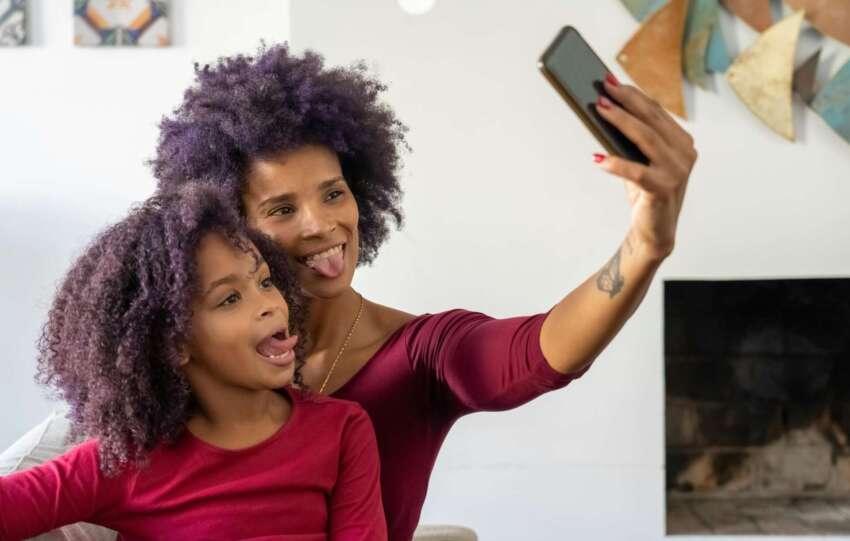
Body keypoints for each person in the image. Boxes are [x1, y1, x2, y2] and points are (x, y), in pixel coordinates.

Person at [5, 42, 697, 541]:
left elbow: (537, 351)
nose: (322, 224)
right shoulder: (178, 383)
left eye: (335, 193)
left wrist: (645, 244)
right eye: (280, 210)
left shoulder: (416, 358)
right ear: (227, 230)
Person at [0, 185, 387, 541]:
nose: (269, 304)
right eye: (230, 299)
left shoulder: (342, 430)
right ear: (175, 343)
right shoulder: (128, 462)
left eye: (265, 282)